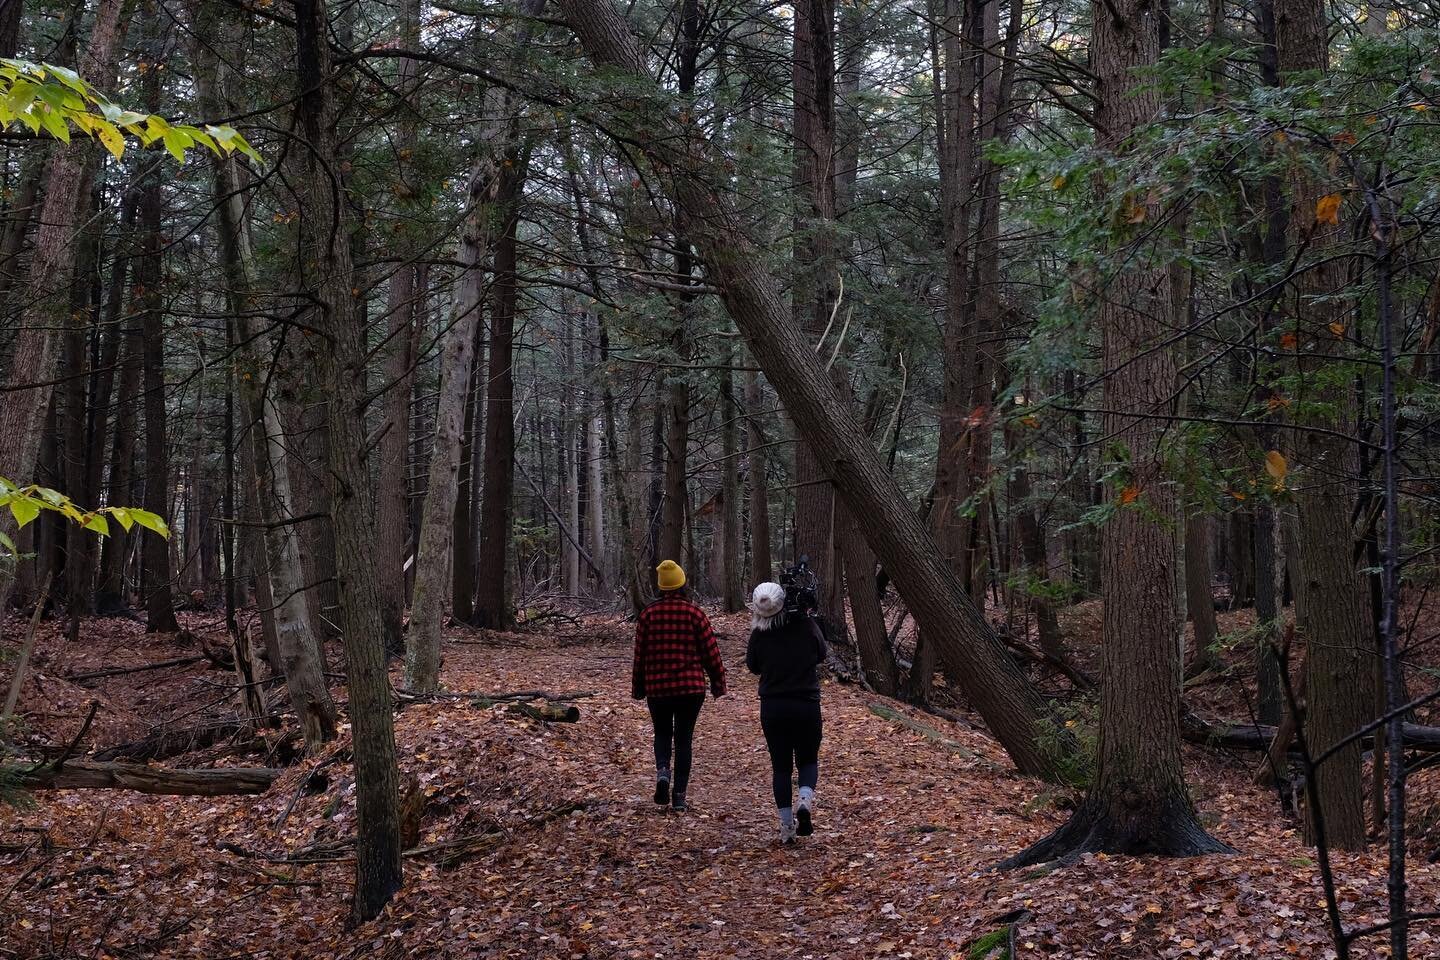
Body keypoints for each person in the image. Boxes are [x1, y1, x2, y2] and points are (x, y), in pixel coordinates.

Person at [631, 560, 727, 812]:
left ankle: (663, 771)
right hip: (690, 689)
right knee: (684, 740)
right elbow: (711, 653)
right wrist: (718, 683)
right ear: (682, 583)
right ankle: (680, 797)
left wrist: (638, 687)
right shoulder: (695, 614)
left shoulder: (648, 616)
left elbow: (639, 657)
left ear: (661, 586)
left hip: (658, 688)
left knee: (662, 733)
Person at [746, 581, 826, 843]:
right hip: (806, 703)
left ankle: (786, 828)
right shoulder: (806, 625)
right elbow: (821, 653)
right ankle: (804, 799)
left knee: (780, 767)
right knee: (808, 760)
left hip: (773, 706)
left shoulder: (760, 633)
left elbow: (753, 666)